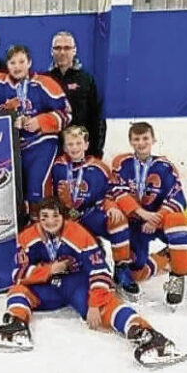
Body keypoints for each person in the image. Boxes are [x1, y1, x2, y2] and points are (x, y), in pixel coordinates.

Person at [0, 197, 187, 368]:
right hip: (49, 285)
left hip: (77, 282)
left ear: (63, 216)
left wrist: (95, 304)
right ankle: (16, 327)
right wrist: (49, 270)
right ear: (38, 219)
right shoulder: (27, 237)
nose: (50, 221)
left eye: (55, 216)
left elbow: (99, 272)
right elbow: (18, 273)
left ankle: (148, 335)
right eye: (44, 217)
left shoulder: (78, 234)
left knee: (104, 303)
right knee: (18, 290)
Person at [0, 45, 71, 221]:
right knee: (7, 190)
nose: (17, 67)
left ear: (29, 63)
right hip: (10, 145)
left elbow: (66, 113)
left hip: (40, 143)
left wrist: (41, 121)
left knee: (37, 186)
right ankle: (20, 227)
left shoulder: (44, 83)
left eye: (21, 62)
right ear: (7, 65)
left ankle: (41, 225)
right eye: (13, 62)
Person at [50, 126, 139, 299]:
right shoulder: (57, 166)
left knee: (118, 219)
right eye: (70, 144)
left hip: (89, 214)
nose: (74, 148)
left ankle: (122, 267)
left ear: (86, 145)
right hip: (66, 219)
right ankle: (82, 261)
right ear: (65, 147)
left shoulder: (99, 167)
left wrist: (111, 205)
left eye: (78, 143)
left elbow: (113, 190)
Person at [111, 122, 187, 308]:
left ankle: (177, 276)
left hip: (157, 221)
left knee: (179, 220)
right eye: (136, 139)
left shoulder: (165, 166)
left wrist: (157, 218)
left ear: (153, 140)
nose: (141, 143)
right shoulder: (122, 163)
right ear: (130, 142)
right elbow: (116, 191)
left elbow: (179, 198)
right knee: (136, 273)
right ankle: (164, 258)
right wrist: (142, 214)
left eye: (145, 138)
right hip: (134, 224)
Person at [48, 31, 106, 158]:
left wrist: (96, 153)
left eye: (67, 48)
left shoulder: (86, 80)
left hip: (79, 151)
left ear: (74, 50)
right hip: (52, 152)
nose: (62, 52)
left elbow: (97, 119)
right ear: (51, 51)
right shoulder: (44, 80)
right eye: (57, 48)